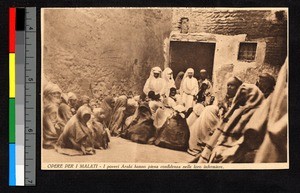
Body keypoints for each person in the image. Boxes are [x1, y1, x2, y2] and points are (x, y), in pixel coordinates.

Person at [207, 83, 264, 163]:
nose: (240, 98)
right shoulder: (239, 111)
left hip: (244, 148)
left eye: (244, 95)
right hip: (232, 145)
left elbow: (248, 139)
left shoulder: (257, 113)